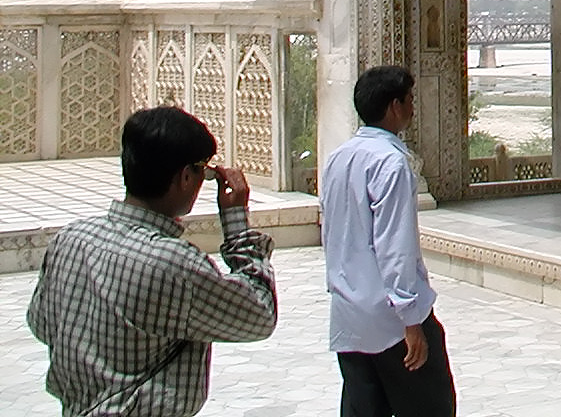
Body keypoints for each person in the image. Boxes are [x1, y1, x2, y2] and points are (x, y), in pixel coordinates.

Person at [26, 106, 277, 417]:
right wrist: (236, 222)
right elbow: (259, 314)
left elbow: (41, 323)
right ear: (186, 176)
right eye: (203, 172)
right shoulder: (174, 264)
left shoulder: (72, 238)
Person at [321, 65, 456, 417]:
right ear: (394, 106)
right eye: (410, 100)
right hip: (390, 318)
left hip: (350, 311)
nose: (413, 107)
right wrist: (410, 319)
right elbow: (395, 245)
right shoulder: (390, 163)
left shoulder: (339, 158)